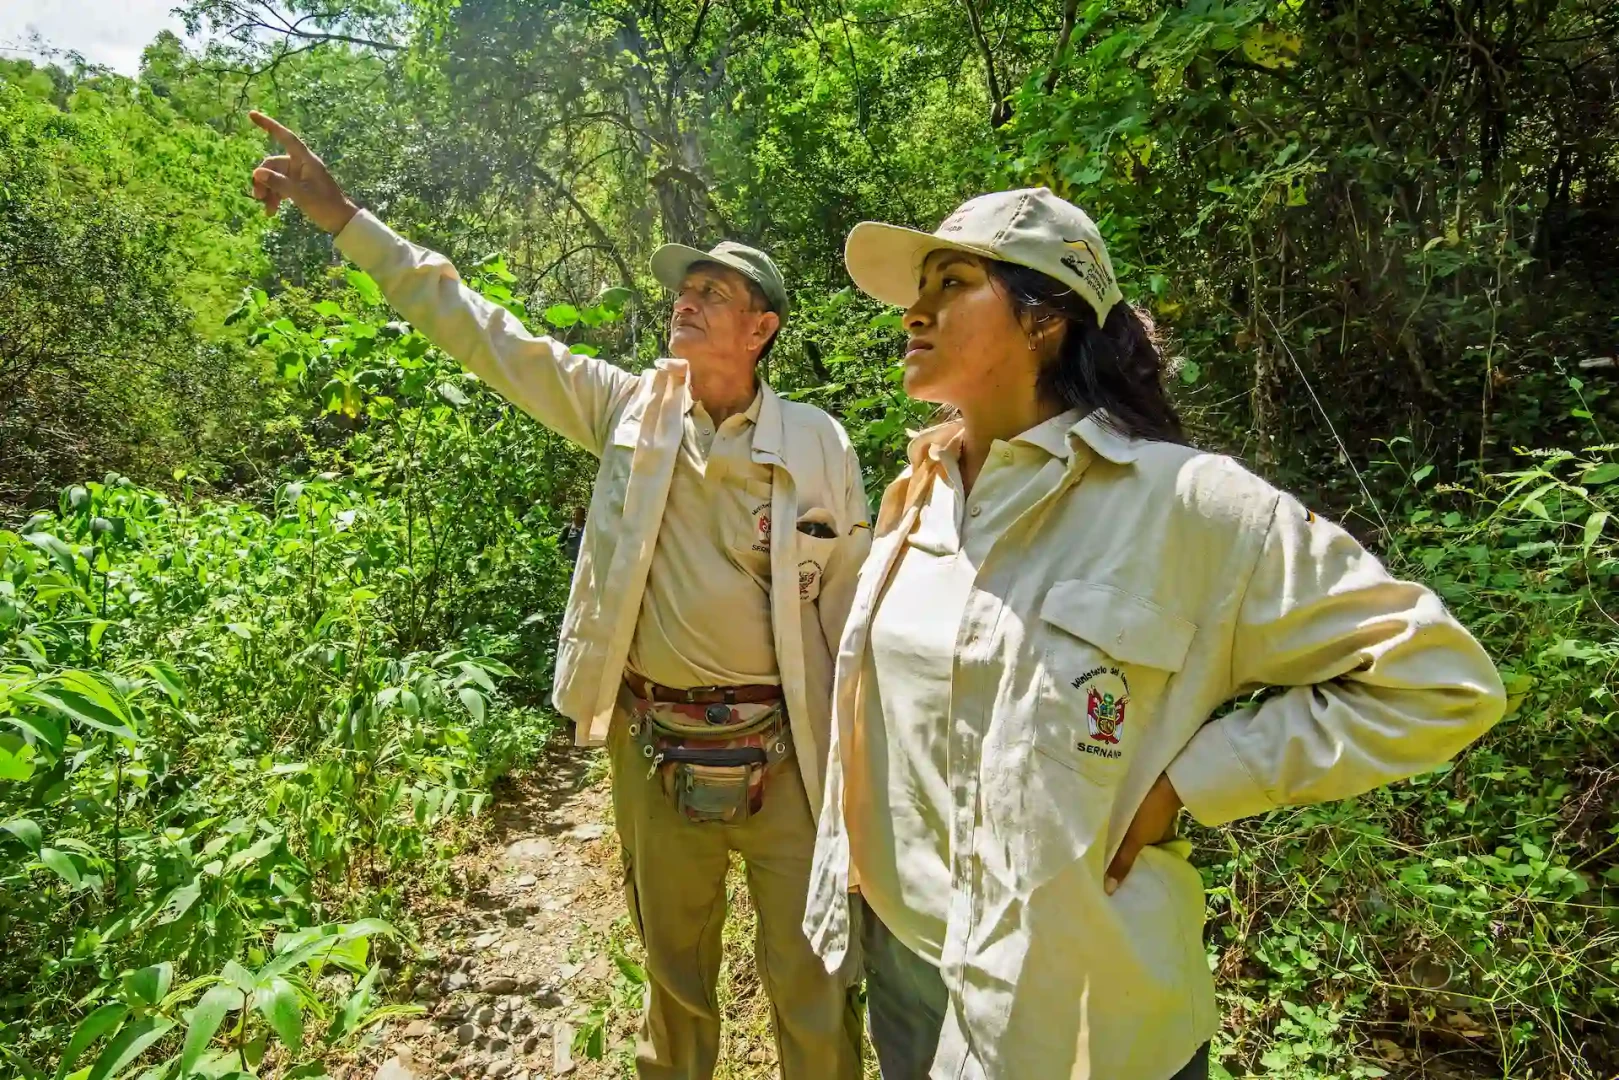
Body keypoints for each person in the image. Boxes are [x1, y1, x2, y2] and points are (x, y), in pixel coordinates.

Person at [801, 188, 1507, 1080]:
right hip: (908, 963)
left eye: (950, 281)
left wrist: (1191, 778)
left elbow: (1437, 679)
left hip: (1084, 1008)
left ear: (1044, 318)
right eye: (919, 287)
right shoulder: (918, 495)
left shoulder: (1188, 507)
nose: (915, 309)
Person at [246, 112, 869, 1080]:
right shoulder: (628, 411)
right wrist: (346, 222)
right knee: (676, 990)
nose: (687, 301)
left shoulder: (818, 443)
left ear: (762, 328)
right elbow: (484, 334)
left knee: (814, 988)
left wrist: (866, 774)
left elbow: (857, 608)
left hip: (790, 758)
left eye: (714, 292)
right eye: (684, 289)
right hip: (656, 751)